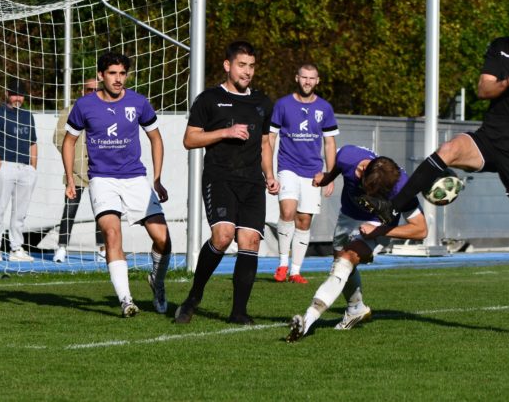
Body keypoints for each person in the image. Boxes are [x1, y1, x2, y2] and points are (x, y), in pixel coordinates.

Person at [358, 1, 509, 337]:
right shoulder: (500, 47)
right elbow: (484, 88)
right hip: (489, 140)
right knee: (449, 148)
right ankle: (391, 210)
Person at [174, 41, 280, 325]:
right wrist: (226, 131)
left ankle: (238, 312)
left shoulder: (261, 102)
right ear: (227, 65)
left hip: (252, 182)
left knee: (250, 241)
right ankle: (194, 296)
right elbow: (190, 139)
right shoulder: (209, 99)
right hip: (220, 177)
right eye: (242, 65)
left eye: (252, 66)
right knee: (223, 236)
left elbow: (266, 143)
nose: (248, 72)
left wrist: (269, 174)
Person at [62, 52, 172, 317]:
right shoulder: (85, 105)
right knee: (112, 233)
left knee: (163, 239)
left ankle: (156, 282)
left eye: (122, 73)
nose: (118, 79)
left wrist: (157, 179)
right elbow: (69, 141)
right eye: (112, 73)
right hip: (102, 179)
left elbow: (156, 139)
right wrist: (70, 178)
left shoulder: (138, 102)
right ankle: (126, 300)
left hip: (135, 177)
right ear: (101, 75)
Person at [286, 146, 427, 342]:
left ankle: (308, 320)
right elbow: (337, 168)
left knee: (345, 260)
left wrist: (378, 230)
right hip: (348, 216)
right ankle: (355, 309)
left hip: (379, 224)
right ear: (361, 172)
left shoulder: (401, 186)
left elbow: (420, 230)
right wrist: (326, 178)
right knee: (340, 265)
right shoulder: (348, 156)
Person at [269, 63, 338, 284]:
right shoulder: (282, 105)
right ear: (297, 78)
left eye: (312, 78)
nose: (307, 81)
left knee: (304, 220)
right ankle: (281, 264)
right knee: (287, 212)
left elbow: (329, 143)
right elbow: (270, 138)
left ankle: (295, 271)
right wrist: (268, 172)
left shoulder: (325, 108)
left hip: (313, 172)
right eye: (304, 77)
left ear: (317, 81)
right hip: (287, 167)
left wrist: (330, 175)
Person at [0, 79, 37, 262]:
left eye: (21, 95)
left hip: (25, 168)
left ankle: (16, 248)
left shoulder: (27, 116)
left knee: (20, 212)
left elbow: (33, 142)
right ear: (8, 94)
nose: (18, 98)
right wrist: (0, 165)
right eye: (15, 94)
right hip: (6, 165)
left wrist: (33, 167)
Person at [52, 77, 98, 263]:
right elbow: (58, 138)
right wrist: (73, 160)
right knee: (69, 211)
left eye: (96, 90)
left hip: (98, 171)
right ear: (82, 90)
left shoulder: (106, 110)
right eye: (89, 90)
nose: (93, 93)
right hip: (75, 174)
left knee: (102, 212)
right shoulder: (69, 111)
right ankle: (62, 247)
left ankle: (103, 249)